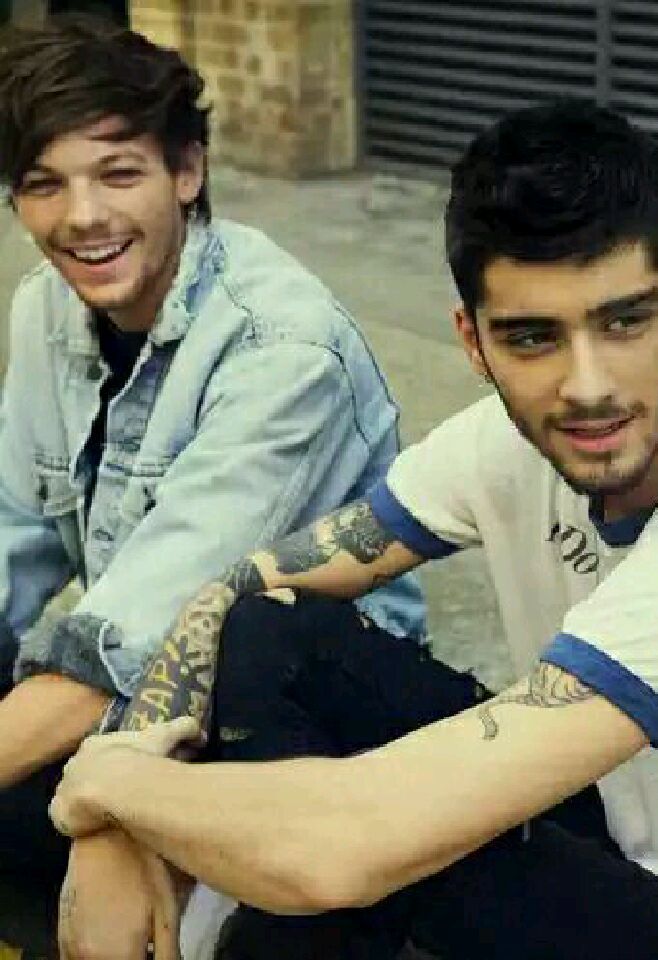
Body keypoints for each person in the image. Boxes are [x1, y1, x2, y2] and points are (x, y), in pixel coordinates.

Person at [52, 101, 658, 960]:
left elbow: (345, 847)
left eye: (625, 320)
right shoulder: (509, 442)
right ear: (473, 343)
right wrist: (122, 789)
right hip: (626, 846)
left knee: (385, 842)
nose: (589, 386)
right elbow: (247, 587)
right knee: (273, 634)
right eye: (533, 338)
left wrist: (111, 787)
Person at [0, 17, 423, 958]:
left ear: (186, 171)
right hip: (135, 700)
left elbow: (142, 634)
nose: (82, 218)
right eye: (44, 184)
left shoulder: (284, 348)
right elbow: (11, 541)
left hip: (294, 724)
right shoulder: (46, 308)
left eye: (118, 174)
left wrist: (111, 798)